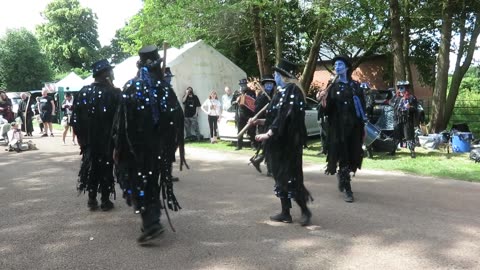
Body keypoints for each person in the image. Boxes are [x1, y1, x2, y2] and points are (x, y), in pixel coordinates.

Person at [113, 45, 185, 244]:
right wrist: (169, 146)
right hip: (157, 149)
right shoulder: (164, 89)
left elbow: (121, 124)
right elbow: (176, 118)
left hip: (135, 149)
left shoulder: (130, 87)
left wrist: (119, 148)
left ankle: (151, 222)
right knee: (150, 182)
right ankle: (151, 221)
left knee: (139, 183)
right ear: (156, 66)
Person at [255, 59, 312, 226]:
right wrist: (260, 123)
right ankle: (285, 212)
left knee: (292, 177)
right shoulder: (280, 93)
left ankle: (305, 211)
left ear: (283, 76)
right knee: (280, 177)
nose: (274, 77)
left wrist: (269, 133)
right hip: (278, 143)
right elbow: (276, 116)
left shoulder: (293, 90)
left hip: (289, 143)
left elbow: (286, 116)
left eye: (276, 74)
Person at [72, 59, 120, 212]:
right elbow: (120, 119)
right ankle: (105, 200)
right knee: (105, 168)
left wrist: (81, 139)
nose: (112, 74)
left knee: (91, 166)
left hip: (89, 141)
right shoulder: (113, 93)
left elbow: (75, 119)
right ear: (105, 74)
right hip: (106, 141)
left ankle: (92, 199)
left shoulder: (83, 92)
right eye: (110, 71)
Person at [317, 55, 366, 203]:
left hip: (354, 128)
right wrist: (323, 100)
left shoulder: (355, 86)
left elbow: (362, 106)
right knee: (343, 157)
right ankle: (347, 188)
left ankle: (343, 175)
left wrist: (362, 124)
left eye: (339, 64)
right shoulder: (332, 86)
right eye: (335, 65)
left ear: (346, 67)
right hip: (338, 129)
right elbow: (326, 111)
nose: (336, 67)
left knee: (353, 157)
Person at [248, 75, 276, 175]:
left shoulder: (273, 96)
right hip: (263, 125)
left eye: (271, 84)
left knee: (268, 146)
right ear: (263, 86)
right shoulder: (261, 97)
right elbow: (256, 112)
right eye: (267, 84)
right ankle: (270, 169)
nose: (269, 86)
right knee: (268, 146)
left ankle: (258, 160)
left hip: (271, 124)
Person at [390, 80, 418, 158]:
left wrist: (410, 107)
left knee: (409, 135)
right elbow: (391, 103)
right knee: (396, 135)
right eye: (399, 87)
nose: (400, 89)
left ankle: (412, 152)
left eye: (402, 87)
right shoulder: (396, 97)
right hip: (397, 119)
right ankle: (392, 151)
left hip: (407, 120)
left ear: (406, 88)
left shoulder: (412, 97)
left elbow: (415, 108)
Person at [233, 78, 256, 150]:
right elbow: (232, 103)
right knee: (240, 131)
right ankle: (239, 146)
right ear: (240, 85)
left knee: (252, 131)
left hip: (249, 114)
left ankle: (253, 145)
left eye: (244, 84)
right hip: (240, 115)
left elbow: (254, 101)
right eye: (242, 85)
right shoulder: (236, 93)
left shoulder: (251, 92)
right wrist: (236, 101)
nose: (243, 86)